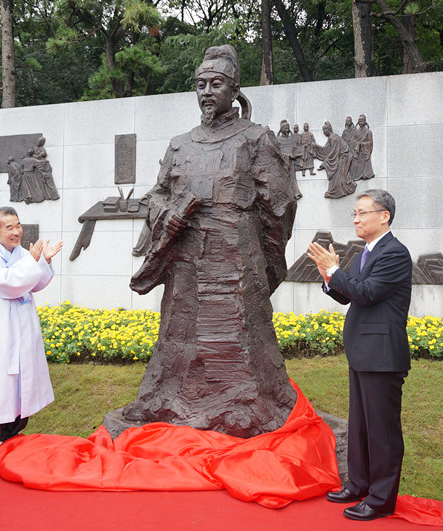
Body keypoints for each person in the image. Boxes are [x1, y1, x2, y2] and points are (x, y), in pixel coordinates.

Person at [125, 45, 298, 438]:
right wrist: (171, 213)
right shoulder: (180, 144)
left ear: (234, 89)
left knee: (236, 335)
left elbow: (280, 207)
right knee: (179, 330)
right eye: (200, 84)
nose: (207, 91)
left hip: (235, 257)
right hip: (186, 255)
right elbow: (155, 195)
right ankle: (166, 397)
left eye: (216, 83)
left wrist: (265, 262)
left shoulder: (256, 139)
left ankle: (245, 404)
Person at [307, 189, 412, 521]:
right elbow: (346, 295)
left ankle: (381, 498)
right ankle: (359, 483)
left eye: (363, 212)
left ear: (385, 216)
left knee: (382, 429)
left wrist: (335, 272)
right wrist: (330, 275)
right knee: (361, 424)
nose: (356, 218)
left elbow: (366, 293)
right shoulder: (365, 252)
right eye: (354, 213)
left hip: (382, 354)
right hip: (362, 351)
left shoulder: (394, 253)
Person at [0, 207, 62, 454]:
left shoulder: (21, 254)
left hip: (21, 325)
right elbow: (9, 284)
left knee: (22, 379)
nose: (17, 231)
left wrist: (45, 261)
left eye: (18, 225)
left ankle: (14, 433)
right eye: (9, 227)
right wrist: (33, 262)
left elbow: (35, 283)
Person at [315, 121, 354, 198]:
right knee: (336, 175)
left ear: (328, 129)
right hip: (341, 157)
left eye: (324, 130)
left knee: (338, 175)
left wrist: (325, 163)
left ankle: (335, 192)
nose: (323, 132)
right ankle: (333, 191)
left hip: (345, 157)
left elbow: (334, 153)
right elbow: (326, 150)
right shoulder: (331, 138)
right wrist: (315, 148)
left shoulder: (334, 138)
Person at [350, 114, 375, 181]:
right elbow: (352, 141)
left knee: (366, 163)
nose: (360, 122)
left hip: (364, 152)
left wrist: (363, 144)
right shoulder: (356, 132)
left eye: (361, 121)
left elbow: (370, 142)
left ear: (365, 122)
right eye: (359, 121)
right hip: (357, 151)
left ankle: (365, 174)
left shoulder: (368, 132)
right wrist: (357, 144)